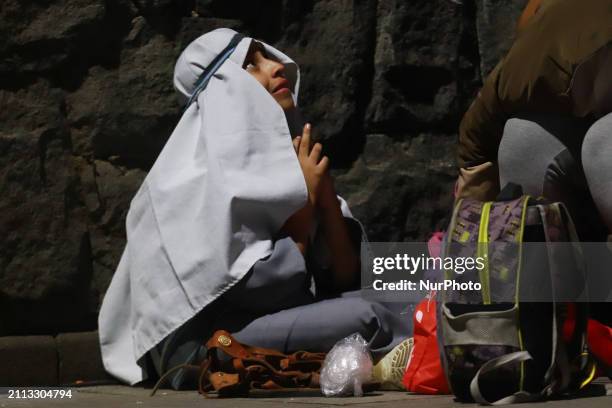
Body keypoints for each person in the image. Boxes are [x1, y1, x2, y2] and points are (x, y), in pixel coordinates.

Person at [97, 28, 411, 390]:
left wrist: (324, 201)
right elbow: (255, 292)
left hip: (271, 315)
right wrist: (305, 205)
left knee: (416, 279)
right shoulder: (183, 184)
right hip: (207, 342)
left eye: (269, 57)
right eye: (252, 64)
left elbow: (345, 277)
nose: (277, 67)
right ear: (224, 88)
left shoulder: (289, 156)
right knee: (366, 315)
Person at [455, 0, 611, 323]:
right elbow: (476, 149)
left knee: (603, 146)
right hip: (590, 106)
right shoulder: (524, 68)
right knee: (522, 141)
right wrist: (471, 264)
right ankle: (556, 328)